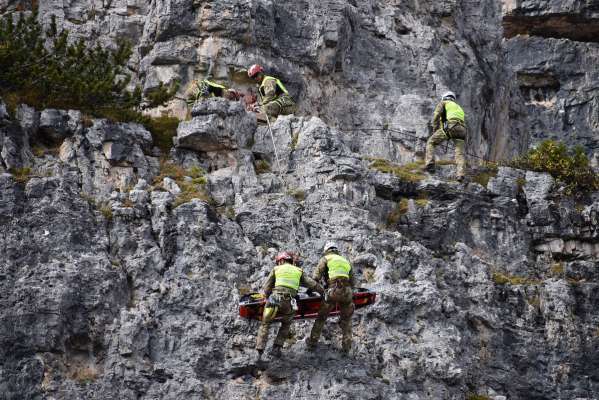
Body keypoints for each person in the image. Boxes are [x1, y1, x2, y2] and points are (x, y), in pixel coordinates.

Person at [255, 251, 323, 359]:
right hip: (289, 301)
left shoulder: (276, 269)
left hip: (275, 298)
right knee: (286, 324)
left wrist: (268, 297)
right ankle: (276, 348)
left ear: (281, 260)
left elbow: (266, 287)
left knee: (266, 323)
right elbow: (313, 284)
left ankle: (259, 350)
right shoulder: (298, 271)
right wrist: (323, 293)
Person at [307, 242, 355, 355]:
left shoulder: (326, 258)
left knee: (321, 317)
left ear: (327, 250)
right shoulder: (346, 260)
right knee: (346, 320)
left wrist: (310, 291)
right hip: (348, 292)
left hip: (333, 290)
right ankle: (346, 348)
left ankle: (312, 343)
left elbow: (315, 277)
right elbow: (353, 282)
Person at [424, 91, 467, 181]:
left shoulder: (443, 103)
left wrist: (435, 130)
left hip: (451, 127)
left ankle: (430, 163)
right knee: (459, 153)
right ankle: (460, 174)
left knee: (431, 142)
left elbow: (436, 116)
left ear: (444, 97)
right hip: (462, 130)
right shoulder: (458, 107)